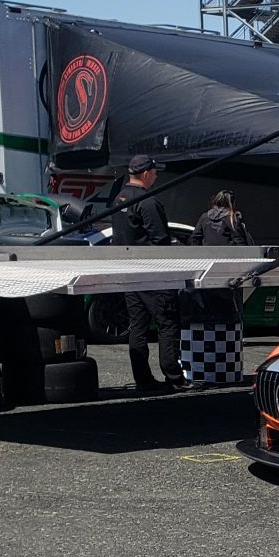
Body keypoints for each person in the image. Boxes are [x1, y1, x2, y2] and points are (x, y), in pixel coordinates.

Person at [114, 155, 184, 394]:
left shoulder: (119, 199)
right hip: (153, 273)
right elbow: (161, 239)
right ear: (145, 174)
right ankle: (174, 377)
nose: (156, 176)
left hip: (129, 273)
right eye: (154, 172)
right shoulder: (147, 202)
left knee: (138, 326)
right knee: (167, 322)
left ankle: (143, 379)